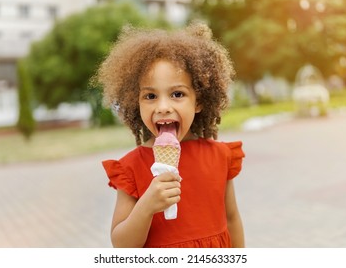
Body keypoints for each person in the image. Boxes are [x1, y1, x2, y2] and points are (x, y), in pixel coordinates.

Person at [97, 22, 245, 248]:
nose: (163, 106)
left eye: (177, 94)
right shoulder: (131, 169)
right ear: (135, 102)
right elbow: (121, 245)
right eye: (150, 96)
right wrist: (146, 206)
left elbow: (232, 218)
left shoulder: (221, 156)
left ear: (200, 101)